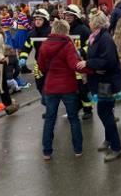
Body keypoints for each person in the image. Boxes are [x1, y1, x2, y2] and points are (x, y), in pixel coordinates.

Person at [36, 19, 88, 160]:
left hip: (51, 86)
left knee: (49, 120)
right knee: (73, 119)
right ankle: (78, 150)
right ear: (66, 31)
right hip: (68, 87)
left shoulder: (44, 45)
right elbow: (74, 65)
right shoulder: (68, 45)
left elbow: (40, 67)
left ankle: (47, 152)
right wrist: (91, 69)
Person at [76, 12, 121, 162]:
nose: (88, 22)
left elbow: (108, 61)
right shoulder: (96, 37)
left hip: (107, 82)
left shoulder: (105, 39)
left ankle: (117, 147)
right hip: (102, 80)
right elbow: (94, 54)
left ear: (95, 24)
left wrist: (88, 63)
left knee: (104, 112)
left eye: (90, 21)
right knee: (106, 111)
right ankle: (109, 140)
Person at [63, 4, 94, 120]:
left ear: (76, 17)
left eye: (70, 16)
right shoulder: (65, 29)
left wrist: (81, 51)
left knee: (83, 90)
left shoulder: (83, 30)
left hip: (80, 65)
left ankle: (88, 110)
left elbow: (90, 45)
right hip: (69, 66)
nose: (68, 17)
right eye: (66, 15)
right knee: (72, 90)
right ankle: (76, 107)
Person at [19, 8, 52, 115]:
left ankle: (51, 108)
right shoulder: (32, 33)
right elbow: (26, 47)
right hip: (39, 64)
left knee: (50, 86)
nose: (37, 21)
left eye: (40, 19)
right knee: (39, 85)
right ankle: (48, 104)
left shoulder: (51, 32)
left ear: (45, 20)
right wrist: (23, 58)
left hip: (52, 64)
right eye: (36, 19)